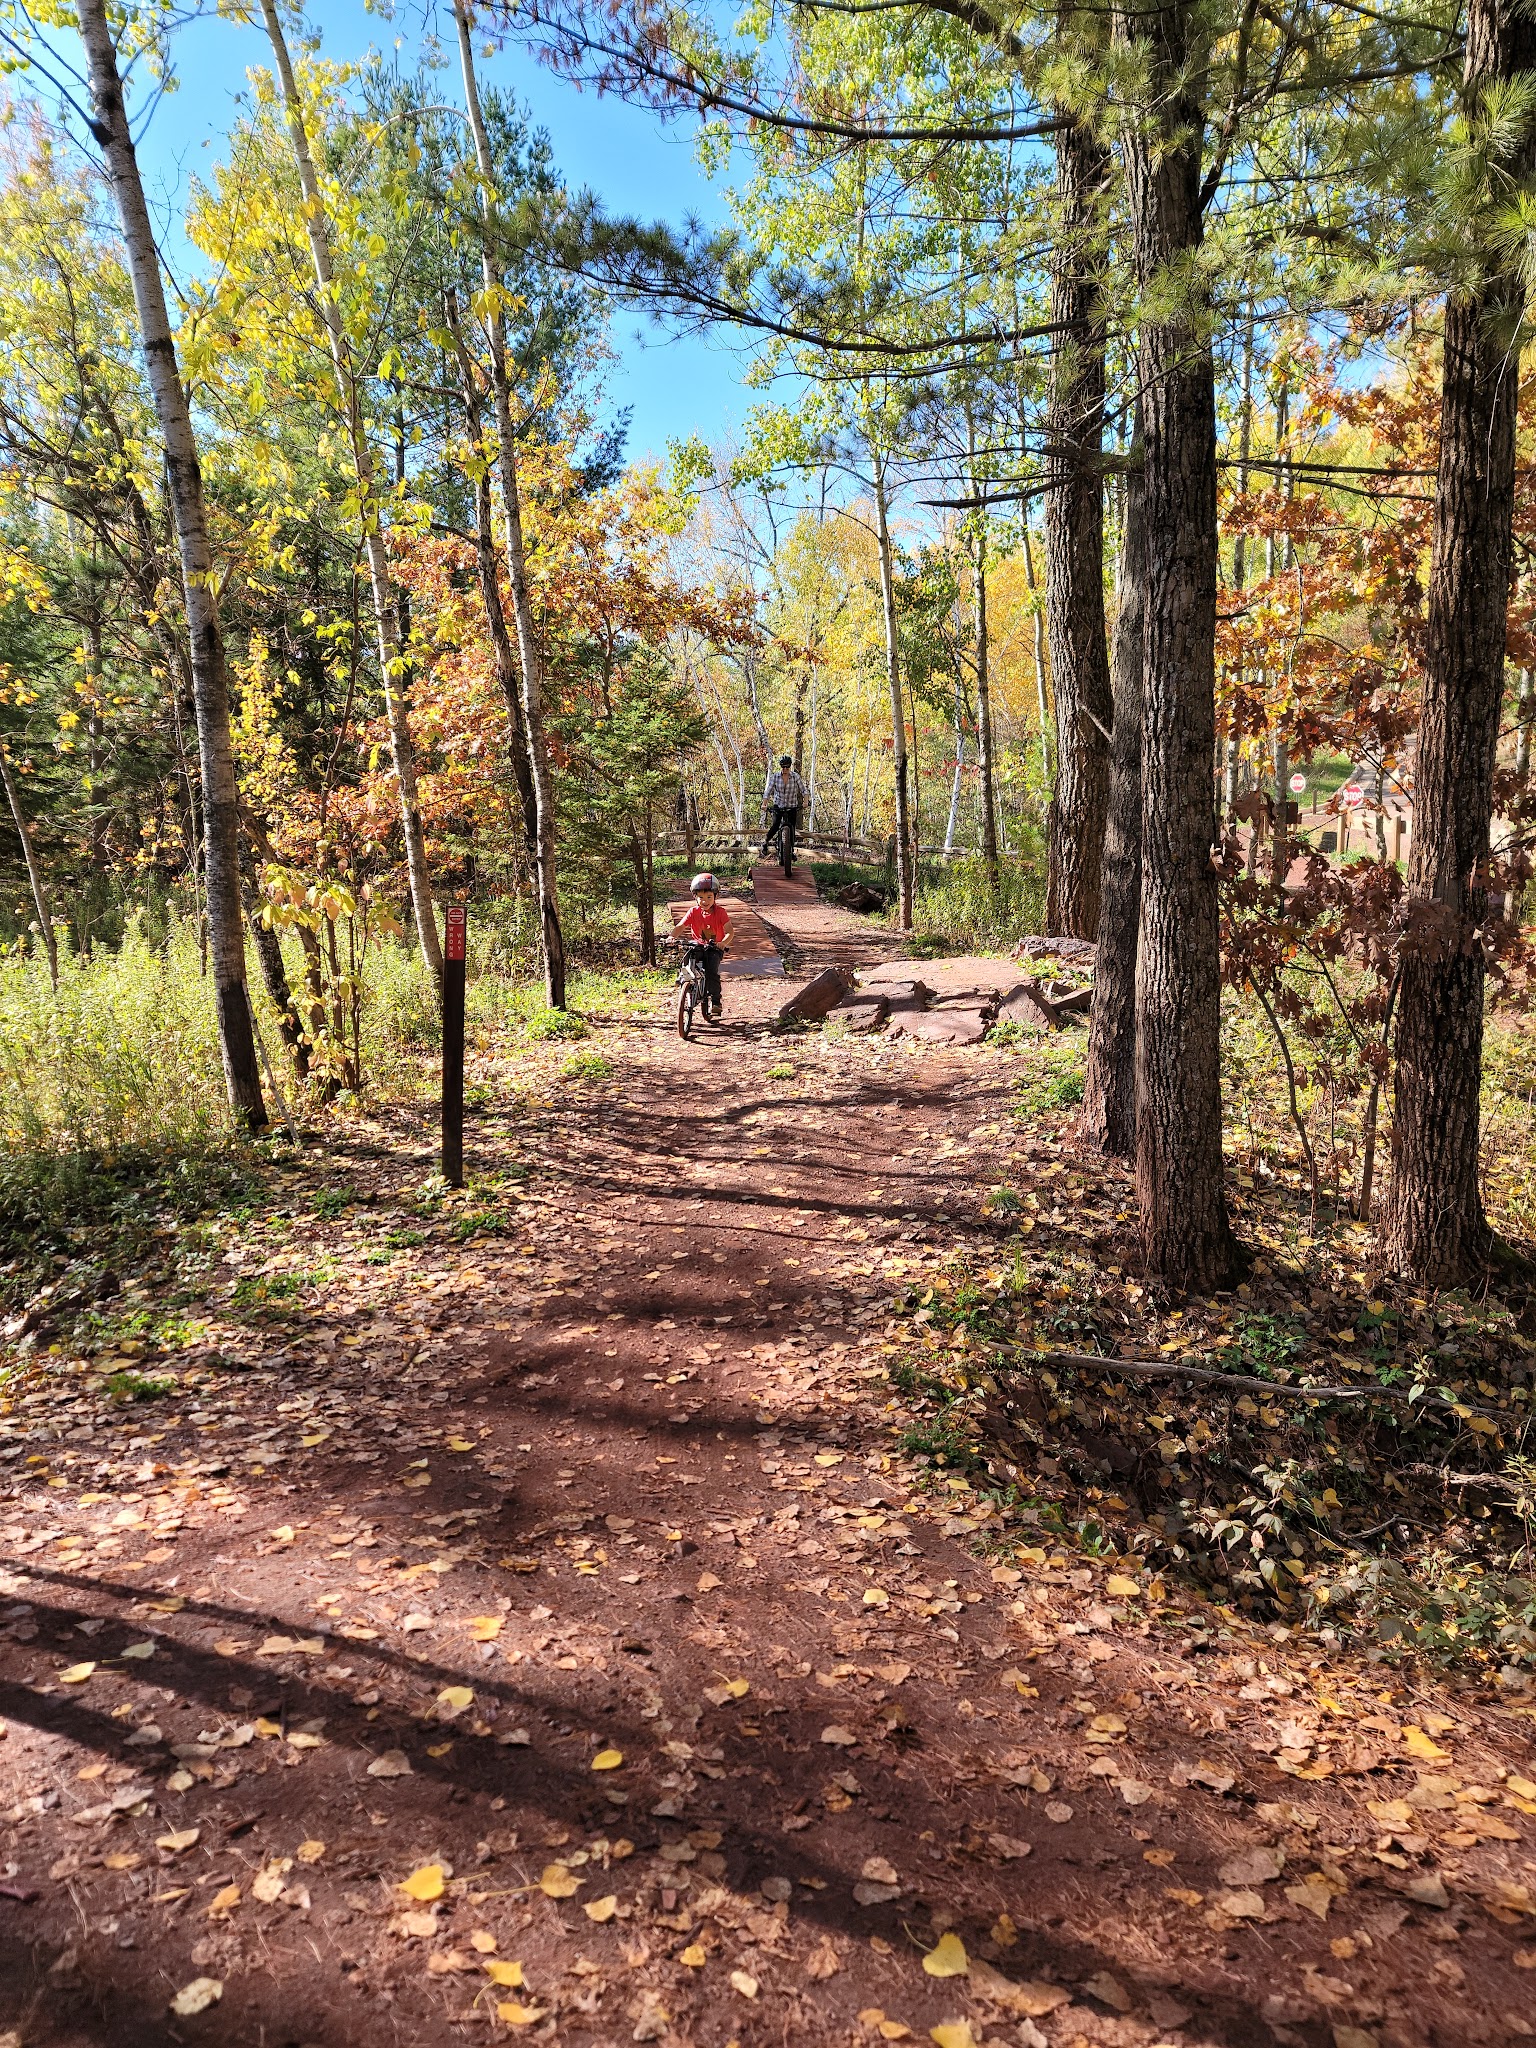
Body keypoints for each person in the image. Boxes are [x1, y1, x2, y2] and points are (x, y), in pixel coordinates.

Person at [675, 871, 730, 1019]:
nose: (705, 901)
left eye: (709, 897)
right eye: (701, 897)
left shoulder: (720, 912)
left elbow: (730, 932)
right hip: (698, 945)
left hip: (714, 948)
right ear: (695, 897)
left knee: (711, 971)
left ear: (715, 896)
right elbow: (680, 926)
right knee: (687, 956)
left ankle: (716, 1001)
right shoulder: (693, 912)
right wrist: (671, 937)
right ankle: (685, 980)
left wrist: (723, 943)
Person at [762, 755, 806, 858]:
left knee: (792, 828)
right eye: (783, 767)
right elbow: (768, 792)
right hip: (779, 805)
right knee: (775, 825)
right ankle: (765, 842)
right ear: (780, 766)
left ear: (790, 766)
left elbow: (804, 790)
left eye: (787, 767)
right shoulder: (775, 777)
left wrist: (805, 802)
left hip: (792, 806)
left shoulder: (795, 777)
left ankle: (791, 850)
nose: (785, 769)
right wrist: (764, 804)